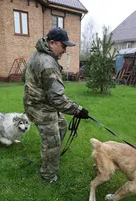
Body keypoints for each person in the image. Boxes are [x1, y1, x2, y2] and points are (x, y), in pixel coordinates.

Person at [23, 28, 89, 183]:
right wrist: (78, 110)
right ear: (52, 43)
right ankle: (48, 175)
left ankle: (51, 158)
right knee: (52, 142)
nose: (65, 51)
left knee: (62, 125)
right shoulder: (47, 63)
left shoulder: (39, 54)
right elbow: (58, 99)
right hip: (40, 107)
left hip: (40, 103)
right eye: (63, 46)